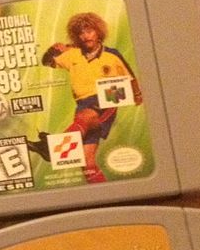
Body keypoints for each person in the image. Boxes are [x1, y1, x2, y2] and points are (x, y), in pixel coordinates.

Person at [28, 12, 142, 183]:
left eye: (89, 31)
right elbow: (47, 61)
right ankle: (103, 192)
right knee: (87, 164)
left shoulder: (112, 55)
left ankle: (52, 148)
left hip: (107, 99)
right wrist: (55, 49)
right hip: (82, 104)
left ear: (98, 32)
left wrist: (137, 95)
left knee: (85, 117)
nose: (85, 36)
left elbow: (131, 78)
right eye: (81, 33)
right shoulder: (73, 54)